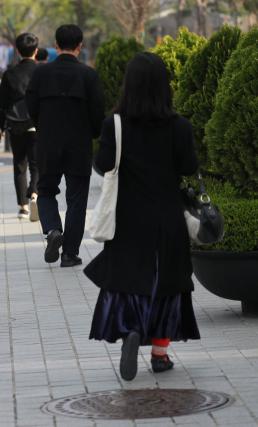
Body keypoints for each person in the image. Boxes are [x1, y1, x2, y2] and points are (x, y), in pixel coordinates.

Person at [84, 51, 201, 381]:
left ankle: (130, 332)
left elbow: (103, 165)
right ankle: (160, 355)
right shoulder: (180, 127)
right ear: (165, 86)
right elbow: (190, 168)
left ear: (129, 85)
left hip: (126, 219)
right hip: (167, 218)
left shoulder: (114, 125)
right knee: (168, 282)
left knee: (127, 281)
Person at [25, 24, 105, 267]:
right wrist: (91, 134)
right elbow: (97, 112)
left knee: (46, 190)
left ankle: (52, 230)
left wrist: (44, 127)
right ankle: (70, 253)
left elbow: (31, 107)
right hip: (79, 145)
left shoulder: (41, 73)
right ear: (80, 47)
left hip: (48, 143)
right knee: (77, 199)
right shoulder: (88, 75)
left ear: (56, 46)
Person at [0, 33, 40, 221]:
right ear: (36, 51)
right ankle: (35, 193)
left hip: (15, 127)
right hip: (36, 126)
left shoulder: (9, 74)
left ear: (18, 52)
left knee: (19, 166)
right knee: (36, 165)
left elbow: (2, 104)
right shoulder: (41, 72)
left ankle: (23, 207)